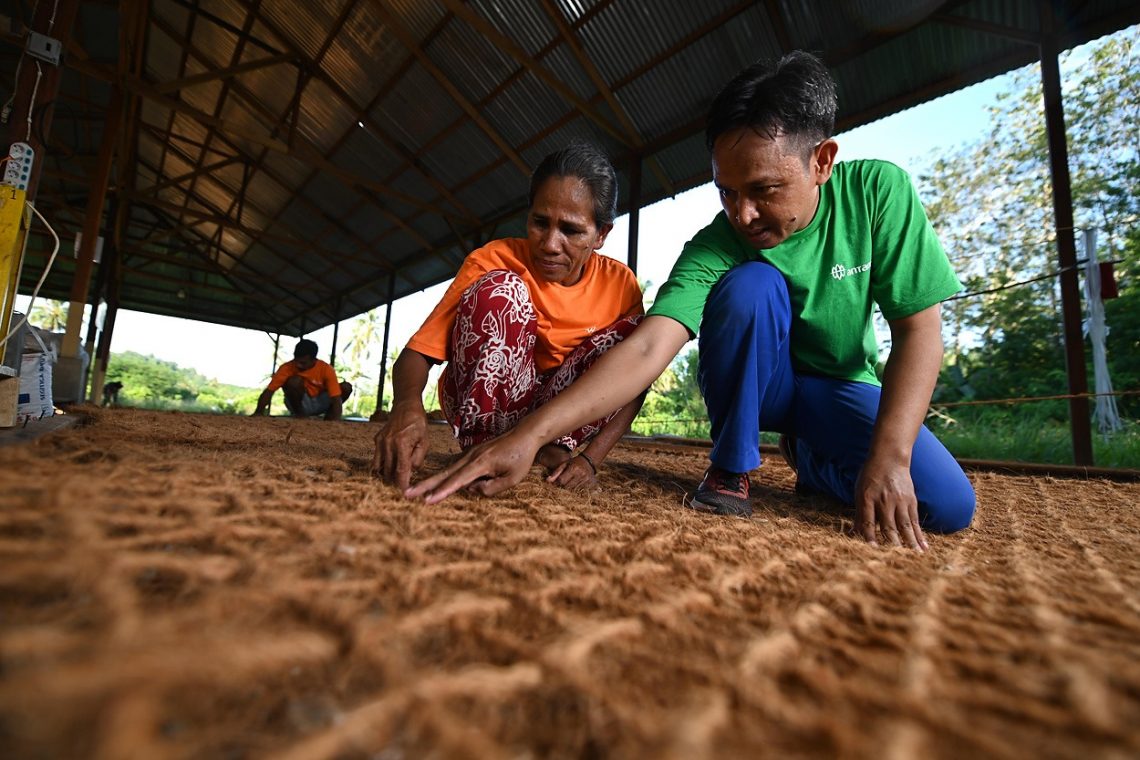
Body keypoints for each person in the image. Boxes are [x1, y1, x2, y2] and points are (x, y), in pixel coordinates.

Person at [406, 51, 976, 552]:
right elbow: (650, 344)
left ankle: (815, 458)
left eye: (764, 190)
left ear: (821, 161)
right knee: (754, 286)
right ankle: (732, 469)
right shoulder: (714, 245)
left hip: (839, 387)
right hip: (758, 390)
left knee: (948, 508)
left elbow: (918, 330)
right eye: (726, 191)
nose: (743, 214)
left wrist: (892, 458)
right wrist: (525, 437)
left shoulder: (879, 193)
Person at [372, 142, 645, 491]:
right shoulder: (494, 258)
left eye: (571, 230)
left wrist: (591, 458)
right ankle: (484, 444)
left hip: (560, 418)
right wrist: (407, 406)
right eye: (539, 223)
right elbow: (418, 352)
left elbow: (636, 379)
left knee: (638, 337)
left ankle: (552, 449)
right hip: (495, 409)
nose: (549, 243)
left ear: (601, 234)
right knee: (501, 289)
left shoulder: (620, 285)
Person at [253, 339, 352, 421]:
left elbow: (336, 398)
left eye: (303, 363)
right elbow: (269, 391)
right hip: (300, 404)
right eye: (296, 361)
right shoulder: (286, 368)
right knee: (294, 381)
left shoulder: (326, 369)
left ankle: (329, 420)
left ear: (314, 360)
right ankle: (300, 416)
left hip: (320, 402)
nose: (298, 365)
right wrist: (258, 412)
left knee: (346, 387)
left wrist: (336, 420)